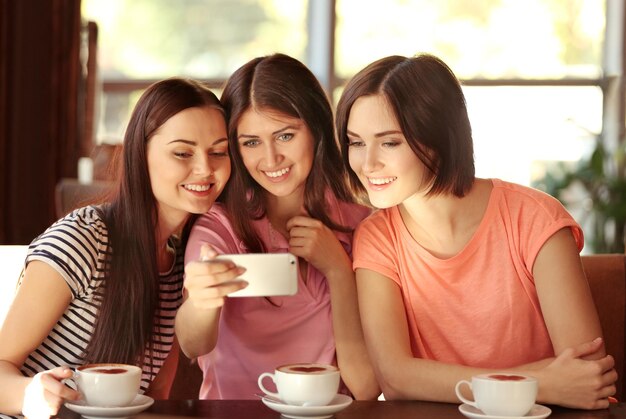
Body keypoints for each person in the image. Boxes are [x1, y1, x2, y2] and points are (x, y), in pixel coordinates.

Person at [334, 54, 618, 409]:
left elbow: (586, 374)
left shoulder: (535, 219)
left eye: (390, 142)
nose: (367, 163)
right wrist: (539, 383)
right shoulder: (377, 238)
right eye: (356, 142)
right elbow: (396, 379)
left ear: (437, 137)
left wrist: (440, 381)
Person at [0, 77, 231, 418]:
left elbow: (152, 397)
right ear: (140, 154)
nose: (205, 168)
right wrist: (32, 393)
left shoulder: (183, 263)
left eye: (219, 152)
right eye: (182, 152)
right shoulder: (83, 239)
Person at [175, 53, 380, 400]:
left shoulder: (362, 226)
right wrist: (201, 299)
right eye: (251, 142)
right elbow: (193, 345)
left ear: (315, 128)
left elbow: (365, 387)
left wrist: (338, 269)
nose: (270, 159)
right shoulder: (218, 227)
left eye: (285, 136)